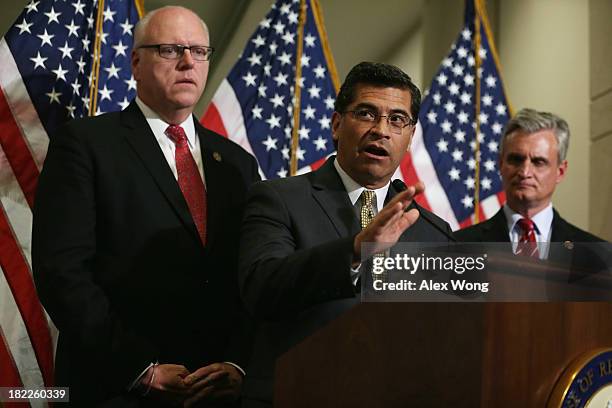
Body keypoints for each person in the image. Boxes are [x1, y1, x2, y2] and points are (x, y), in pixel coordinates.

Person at [32, 6, 259, 406]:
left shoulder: (237, 164)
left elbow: (251, 274)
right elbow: (62, 273)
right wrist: (140, 368)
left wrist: (237, 364)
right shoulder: (85, 145)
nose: (189, 62)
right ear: (136, 62)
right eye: (171, 50)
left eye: (200, 51)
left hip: (216, 393)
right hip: (118, 388)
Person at [238, 62, 453, 406]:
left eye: (397, 119)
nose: (381, 130)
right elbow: (262, 288)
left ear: (410, 137)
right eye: (367, 114)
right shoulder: (278, 198)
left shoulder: (433, 232)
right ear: (337, 124)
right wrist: (355, 251)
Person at [455, 108, 603, 247]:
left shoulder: (597, 254)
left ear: (560, 171)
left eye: (538, 162)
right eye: (516, 160)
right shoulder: (458, 247)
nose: (525, 172)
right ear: (501, 165)